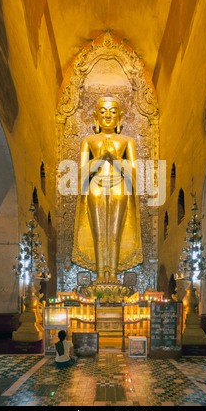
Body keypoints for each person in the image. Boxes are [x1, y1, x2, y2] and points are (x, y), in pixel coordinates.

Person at [72, 96, 143, 283]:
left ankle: (112, 274)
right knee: (98, 233)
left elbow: (134, 173)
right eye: (103, 112)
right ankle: (99, 275)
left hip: (119, 185)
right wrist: (100, 158)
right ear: (96, 117)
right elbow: (81, 173)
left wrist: (115, 159)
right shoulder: (89, 140)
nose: (108, 116)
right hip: (95, 186)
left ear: (120, 117)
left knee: (114, 232)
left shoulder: (127, 141)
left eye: (113, 112)